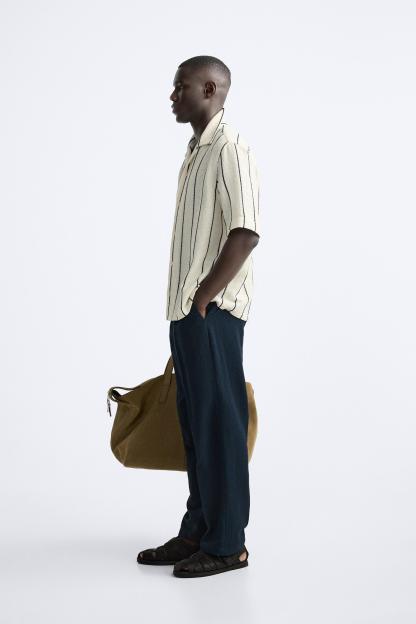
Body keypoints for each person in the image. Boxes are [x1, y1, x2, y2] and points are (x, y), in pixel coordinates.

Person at [137, 55, 260, 578]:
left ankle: (228, 544)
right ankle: (199, 532)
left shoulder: (230, 147)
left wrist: (205, 296)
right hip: (188, 313)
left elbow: (245, 232)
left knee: (220, 426)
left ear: (210, 89)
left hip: (213, 313)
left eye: (180, 86)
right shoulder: (195, 152)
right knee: (194, 425)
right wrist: (188, 305)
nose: (172, 96)